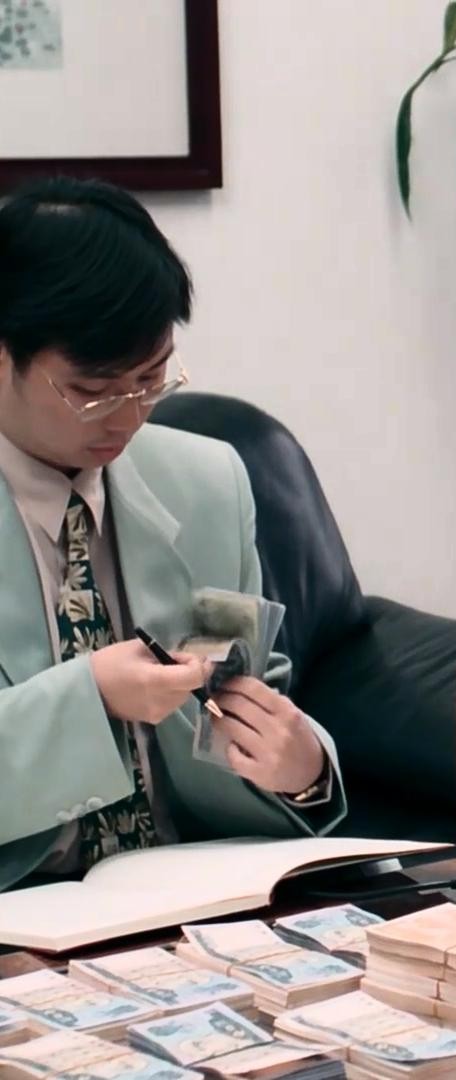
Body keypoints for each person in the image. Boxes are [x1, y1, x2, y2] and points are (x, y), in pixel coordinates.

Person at [0, 177, 347, 893]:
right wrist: (89, 698)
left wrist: (303, 770)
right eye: (93, 391)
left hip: (188, 894)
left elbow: (245, 694)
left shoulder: (208, 482)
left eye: (152, 378)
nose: (129, 418)